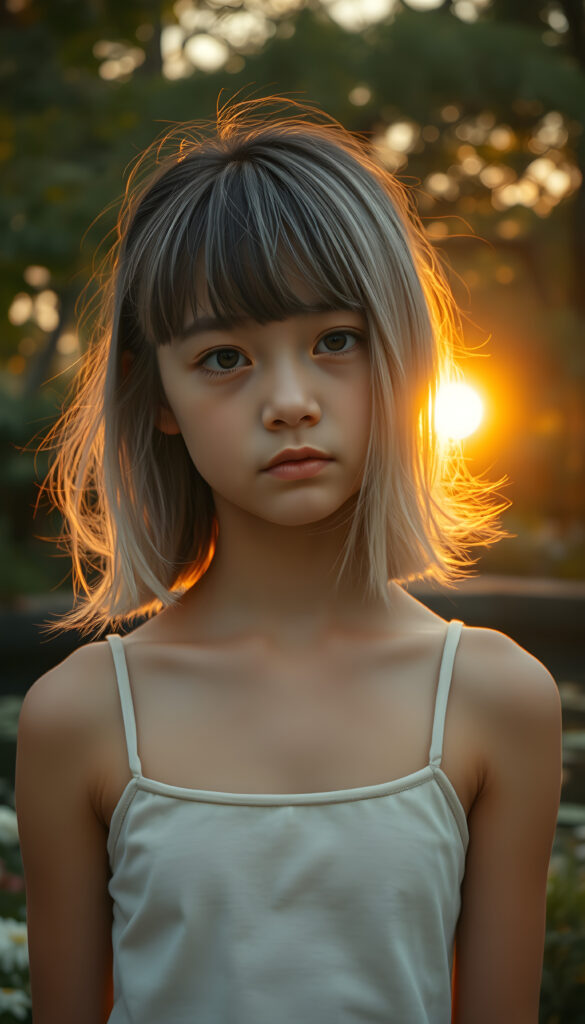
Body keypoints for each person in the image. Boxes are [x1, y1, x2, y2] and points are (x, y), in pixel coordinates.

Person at [15, 95, 562, 1024]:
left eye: (336, 341)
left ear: (406, 360)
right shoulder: (79, 715)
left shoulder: (497, 699)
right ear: (158, 398)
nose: (290, 401)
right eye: (224, 357)